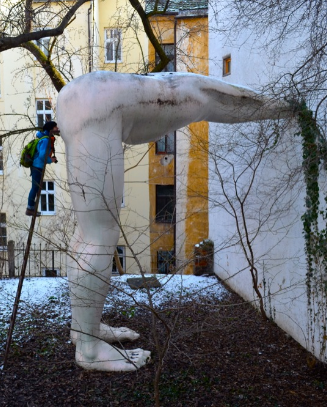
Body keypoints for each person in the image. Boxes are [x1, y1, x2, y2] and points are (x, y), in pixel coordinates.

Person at [56, 71, 293, 371]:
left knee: (87, 234)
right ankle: (89, 349)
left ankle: (83, 329)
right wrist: (281, 107)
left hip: (79, 99)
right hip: (94, 107)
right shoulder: (192, 90)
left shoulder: (154, 87)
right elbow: (226, 98)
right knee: (99, 236)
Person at [26, 121, 60, 216]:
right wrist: (51, 160)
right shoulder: (45, 140)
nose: (57, 129)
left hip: (37, 166)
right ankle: (30, 208)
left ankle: (31, 208)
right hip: (37, 166)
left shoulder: (45, 138)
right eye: (55, 127)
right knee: (35, 188)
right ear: (50, 129)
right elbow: (42, 156)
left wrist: (50, 159)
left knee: (36, 188)